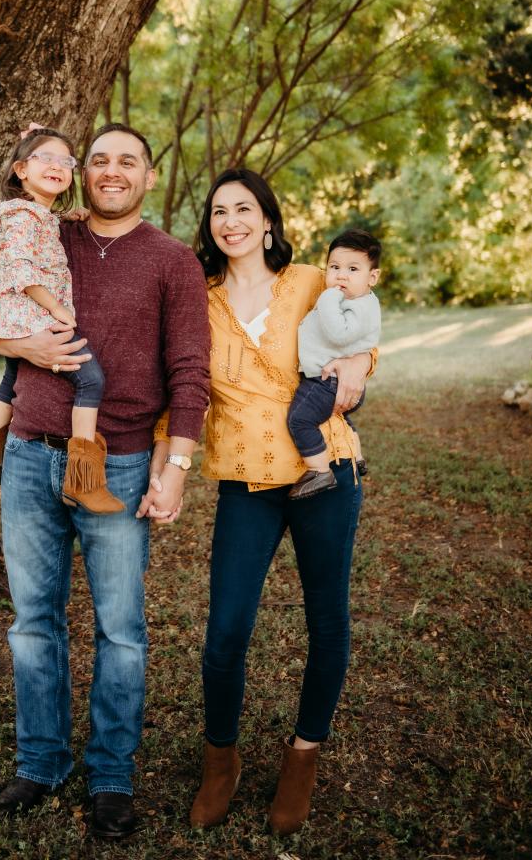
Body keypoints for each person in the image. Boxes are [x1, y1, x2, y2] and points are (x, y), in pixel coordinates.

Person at [0, 123, 209, 840]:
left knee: (121, 631)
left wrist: (178, 465)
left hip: (124, 462)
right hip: (30, 456)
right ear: (80, 174)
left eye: (126, 161)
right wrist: (19, 342)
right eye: (98, 160)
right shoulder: (47, 231)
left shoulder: (172, 261)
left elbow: (190, 371)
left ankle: (110, 775)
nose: (110, 171)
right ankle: (40, 762)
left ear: (149, 176)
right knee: (33, 624)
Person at [179, 169, 374, 837]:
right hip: (245, 478)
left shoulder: (311, 281)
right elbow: (181, 381)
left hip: (324, 467)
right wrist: (167, 464)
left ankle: (302, 759)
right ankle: (219, 763)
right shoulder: (196, 299)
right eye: (217, 211)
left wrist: (360, 365)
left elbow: (360, 331)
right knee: (225, 632)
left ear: (267, 219)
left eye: (243, 208)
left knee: (327, 621)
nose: (229, 220)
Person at [0, 127, 122, 514]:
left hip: (11, 310)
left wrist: (71, 215)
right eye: (44, 158)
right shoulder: (20, 215)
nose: (56, 166)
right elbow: (21, 269)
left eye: (65, 162)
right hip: (29, 307)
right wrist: (56, 308)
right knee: (90, 378)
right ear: (20, 169)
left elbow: (40, 228)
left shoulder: (34, 213)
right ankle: (83, 478)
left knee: (12, 372)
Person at [286, 228, 382, 499]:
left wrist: (328, 297)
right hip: (335, 383)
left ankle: (319, 470)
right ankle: (357, 453)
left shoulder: (356, 305)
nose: (341, 275)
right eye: (335, 267)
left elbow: (339, 334)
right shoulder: (355, 299)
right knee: (340, 417)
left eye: (353, 269)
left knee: (299, 420)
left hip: (326, 380)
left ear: (372, 277)